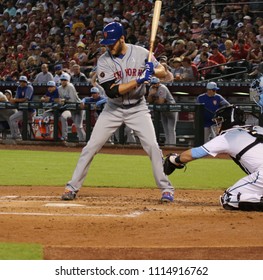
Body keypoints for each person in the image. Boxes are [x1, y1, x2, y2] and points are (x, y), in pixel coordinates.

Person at [61, 22, 174, 203]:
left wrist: (153, 69)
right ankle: (72, 187)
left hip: (138, 108)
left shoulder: (141, 53)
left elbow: (165, 73)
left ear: (122, 38)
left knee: (152, 146)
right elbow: (112, 91)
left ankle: (166, 189)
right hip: (112, 108)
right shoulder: (103, 61)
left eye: (112, 42)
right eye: (107, 43)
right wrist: (139, 79)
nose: (109, 46)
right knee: (90, 147)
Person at [163, 104, 263, 212]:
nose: (218, 124)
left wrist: (174, 159)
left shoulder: (227, 136)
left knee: (229, 198)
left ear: (228, 120)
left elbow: (195, 153)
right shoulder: (258, 129)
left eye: (219, 121)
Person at [147, 77, 177, 146]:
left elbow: (161, 102)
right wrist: (151, 94)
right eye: (152, 83)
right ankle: (167, 145)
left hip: (171, 109)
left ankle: (172, 146)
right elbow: (148, 101)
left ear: (158, 83)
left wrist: (154, 100)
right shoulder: (151, 88)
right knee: (165, 129)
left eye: (155, 83)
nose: (154, 85)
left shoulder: (162, 88)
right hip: (163, 110)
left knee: (171, 129)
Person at [58, 73, 86, 142]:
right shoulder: (59, 88)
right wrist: (61, 101)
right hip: (71, 108)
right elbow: (61, 99)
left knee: (78, 126)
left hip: (78, 107)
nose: (63, 81)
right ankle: (65, 137)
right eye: (62, 80)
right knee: (64, 118)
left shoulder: (70, 86)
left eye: (65, 80)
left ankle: (83, 141)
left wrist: (64, 100)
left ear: (68, 81)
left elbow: (73, 100)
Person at [9, 76, 35, 140]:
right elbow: (16, 98)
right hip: (22, 110)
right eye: (20, 81)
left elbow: (26, 99)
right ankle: (16, 135)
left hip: (29, 111)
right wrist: (13, 100)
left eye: (23, 82)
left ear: (26, 82)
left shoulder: (29, 87)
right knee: (12, 119)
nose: (22, 83)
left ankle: (17, 136)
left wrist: (15, 100)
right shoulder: (19, 88)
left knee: (12, 119)